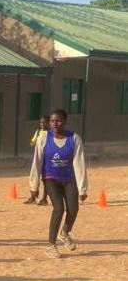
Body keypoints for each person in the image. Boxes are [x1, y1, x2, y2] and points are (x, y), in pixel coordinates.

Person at [28, 109, 88, 259]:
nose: (55, 124)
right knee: (59, 209)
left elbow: (79, 163)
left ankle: (65, 232)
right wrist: (34, 186)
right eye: (52, 121)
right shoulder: (43, 138)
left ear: (65, 122)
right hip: (51, 178)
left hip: (69, 179)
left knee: (73, 208)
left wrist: (82, 188)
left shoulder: (74, 139)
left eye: (59, 120)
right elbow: (37, 162)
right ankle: (51, 245)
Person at [24, 115, 50, 206]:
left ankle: (44, 198)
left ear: (49, 123)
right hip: (37, 157)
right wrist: (33, 142)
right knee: (34, 175)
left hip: (47, 158)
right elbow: (33, 141)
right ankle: (33, 196)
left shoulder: (51, 133)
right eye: (41, 122)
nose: (42, 124)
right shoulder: (38, 131)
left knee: (46, 178)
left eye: (44, 122)